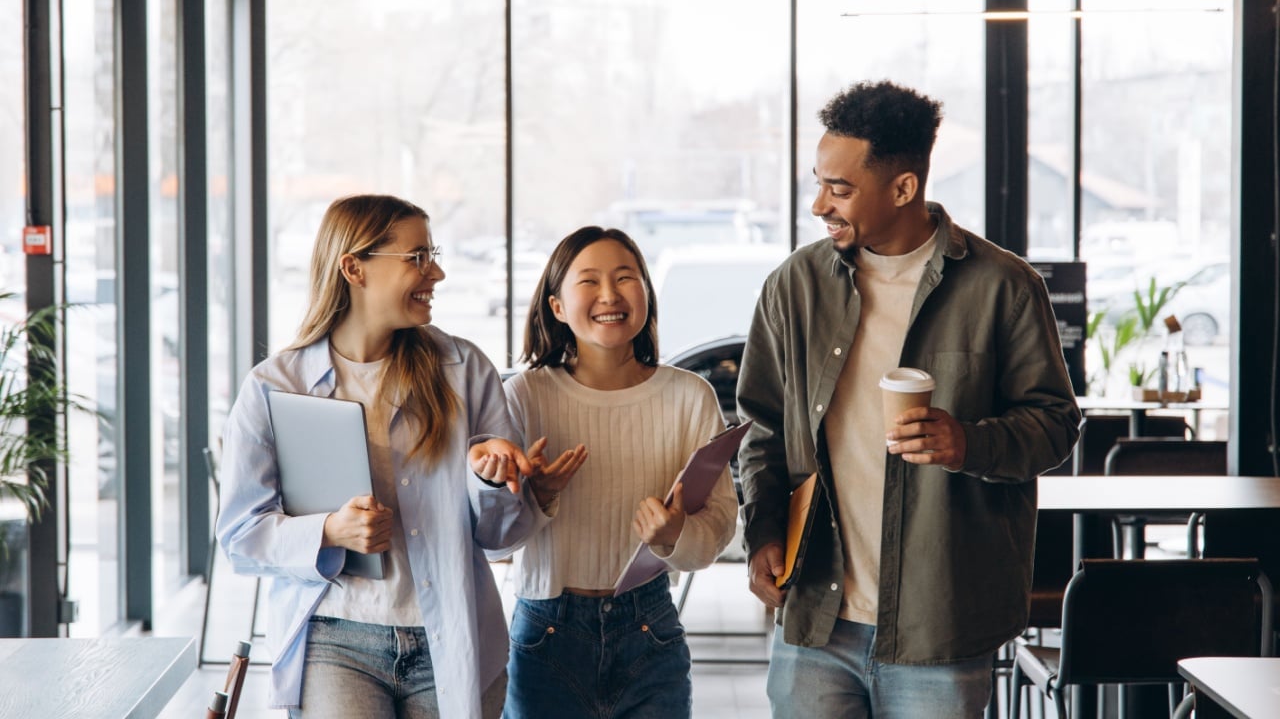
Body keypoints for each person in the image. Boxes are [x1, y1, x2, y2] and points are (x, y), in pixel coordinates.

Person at [736, 81, 1082, 718]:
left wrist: (968, 442)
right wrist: (761, 531)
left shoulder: (1003, 287)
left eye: (839, 189)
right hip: (816, 618)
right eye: (819, 183)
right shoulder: (795, 285)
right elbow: (760, 429)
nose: (819, 204)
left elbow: (1057, 426)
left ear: (903, 188)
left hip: (940, 627)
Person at [216, 194, 572, 719]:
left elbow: (502, 541)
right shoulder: (275, 387)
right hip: (334, 641)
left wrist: (495, 484)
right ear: (354, 267)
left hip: (453, 636)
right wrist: (329, 531)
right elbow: (240, 538)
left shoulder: (464, 368)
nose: (438, 272)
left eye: (433, 254)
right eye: (418, 257)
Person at [496, 226, 739, 719]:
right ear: (557, 307)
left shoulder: (690, 396)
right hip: (547, 634)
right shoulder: (524, 396)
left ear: (646, 294)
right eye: (589, 281)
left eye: (626, 278)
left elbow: (716, 532)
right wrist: (535, 499)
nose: (610, 294)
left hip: (650, 630)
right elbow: (492, 541)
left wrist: (676, 534)